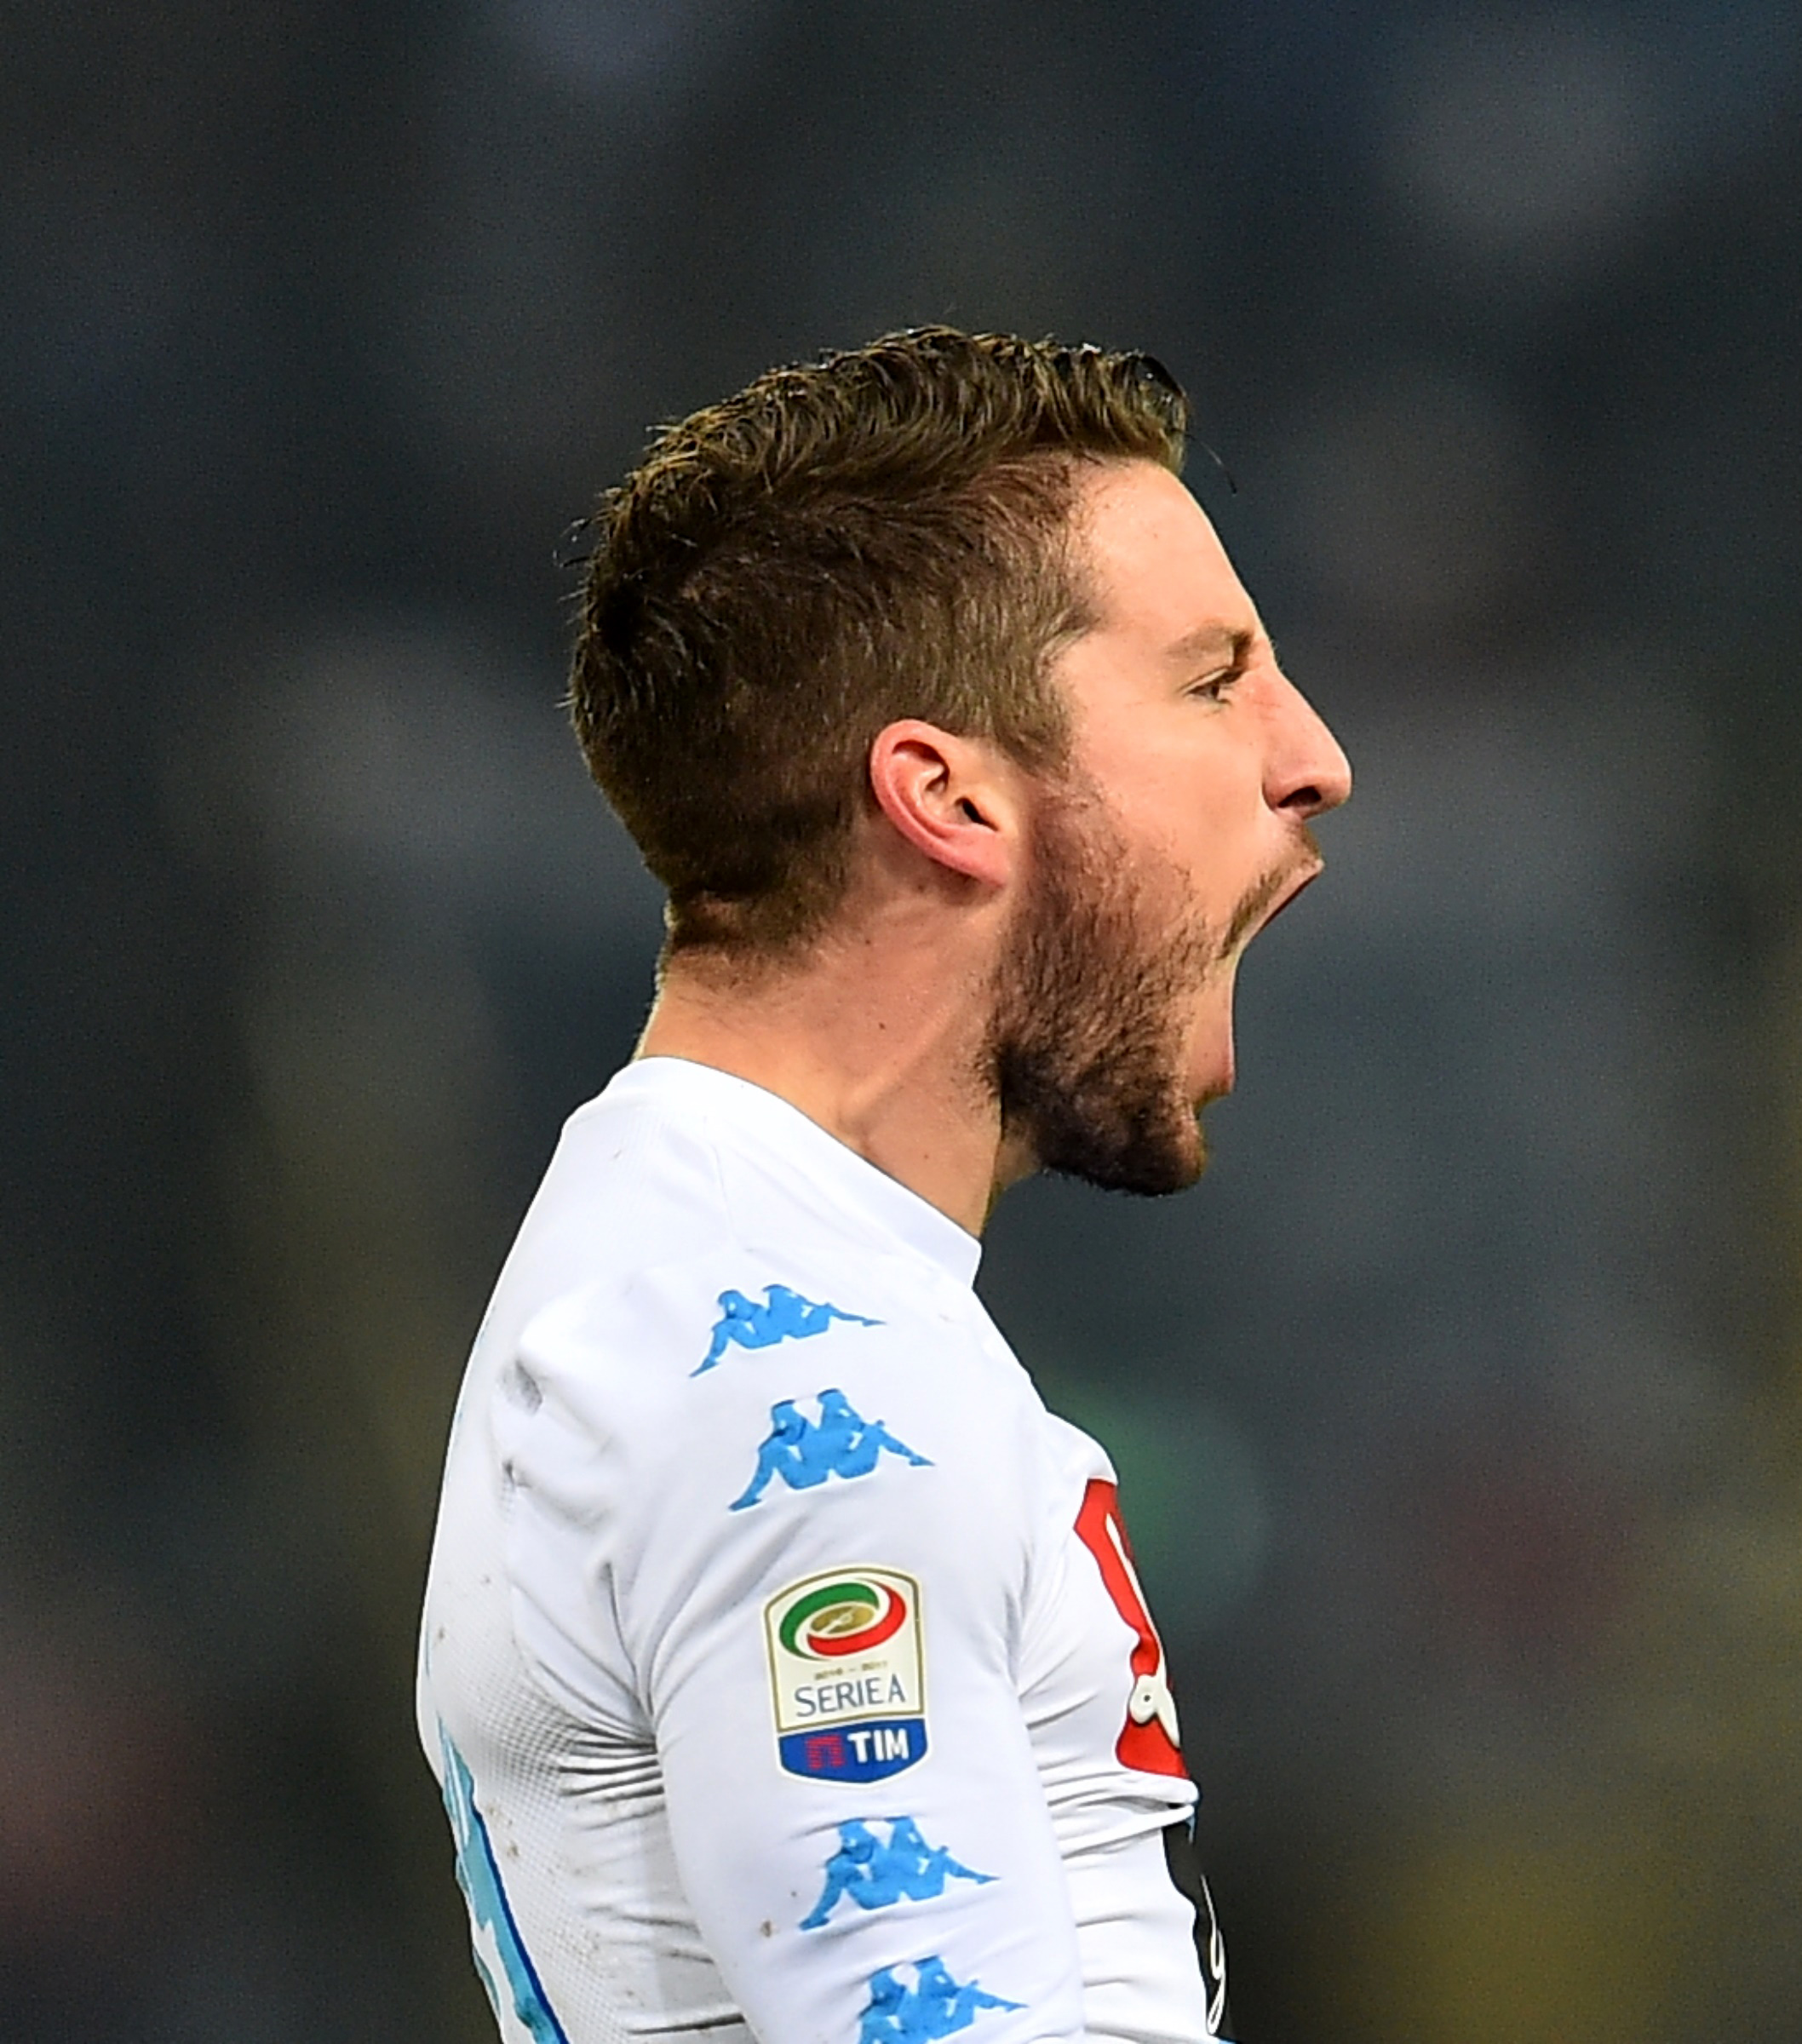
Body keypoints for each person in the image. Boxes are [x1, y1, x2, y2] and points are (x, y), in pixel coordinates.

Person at [416, 328, 1352, 2044]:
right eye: (1214, 680)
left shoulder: (697, 1272)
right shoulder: (797, 1385)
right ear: (946, 795)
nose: (1311, 758)